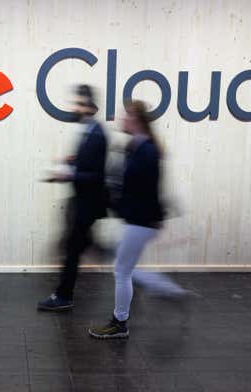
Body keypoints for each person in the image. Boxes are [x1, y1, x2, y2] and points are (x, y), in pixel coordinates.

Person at [88, 100, 188, 338]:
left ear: (137, 120)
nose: (123, 119)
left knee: (122, 270)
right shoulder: (138, 147)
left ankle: (119, 323)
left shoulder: (147, 150)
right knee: (126, 267)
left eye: (127, 115)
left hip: (141, 221)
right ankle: (169, 292)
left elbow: (146, 189)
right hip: (138, 220)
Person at [38, 85, 108, 311]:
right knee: (81, 246)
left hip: (87, 203)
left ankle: (63, 296)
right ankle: (121, 262)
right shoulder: (90, 130)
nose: (74, 107)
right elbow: (88, 162)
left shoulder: (97, 134)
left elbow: (97, 174)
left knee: (71, 249)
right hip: (82, 202)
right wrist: (72, 161)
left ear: (89, 106)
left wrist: (69, 173)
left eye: (79, 103)